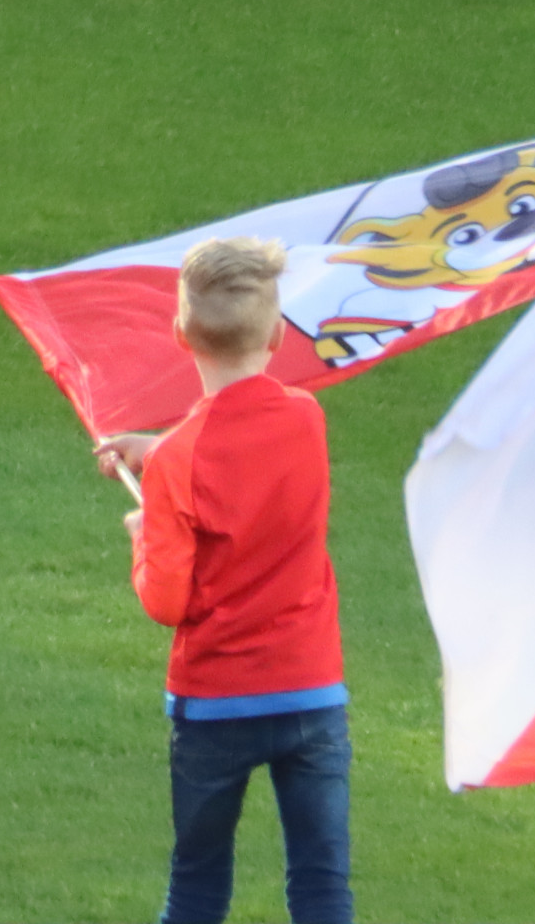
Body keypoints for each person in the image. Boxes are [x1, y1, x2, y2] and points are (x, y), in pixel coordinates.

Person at [110, 238, 352, 924]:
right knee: (322, 882)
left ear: (180, 334)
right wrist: (156, 456)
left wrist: (143, 531)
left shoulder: (178, 464)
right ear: (278, 335)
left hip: (217, 705)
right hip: (311, 694)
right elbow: (245, 450)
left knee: (197, 885)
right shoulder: (308, 419)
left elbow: (166, 600)